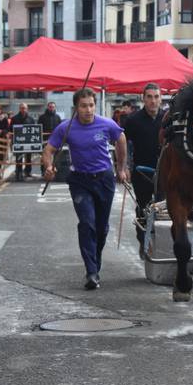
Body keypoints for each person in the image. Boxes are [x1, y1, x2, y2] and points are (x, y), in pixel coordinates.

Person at [42, 88, 129, 291]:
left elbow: (121, 139)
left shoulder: (106, 124)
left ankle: (95, 264)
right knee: (87, 224)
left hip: (104, 179)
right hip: (80, 181)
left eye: (91, 105)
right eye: (83, 106)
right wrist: (48, 167)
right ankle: (91, 271)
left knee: (101, 228)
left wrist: (121, 167)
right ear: (76, 108)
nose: (88, 110)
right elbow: (49, 150)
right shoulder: (66, 127)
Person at [123, 83, 165, 251]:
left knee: (164, 208)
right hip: (141, 171)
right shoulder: (133, 120)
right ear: (143, 98)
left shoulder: (167, 118)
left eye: (156, 97)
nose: (153, 101)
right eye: (149, 97)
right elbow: (122, 143)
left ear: (161, 98)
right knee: (143, 207)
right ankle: (143, 240)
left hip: (165, 171)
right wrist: (124, 166)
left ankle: (161, 242)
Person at [11, 103, 36, 181]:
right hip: (18, 142)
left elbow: (34, 130)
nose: (23, 109)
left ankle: (28, 172)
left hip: (28, 142)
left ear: (27, 109)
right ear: (19, 109)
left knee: (28, 157)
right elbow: (10, 129)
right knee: (18, 158)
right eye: (22, 108)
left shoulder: (31, 119)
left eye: (24, 108)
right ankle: (19, 172)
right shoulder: (14, 118)